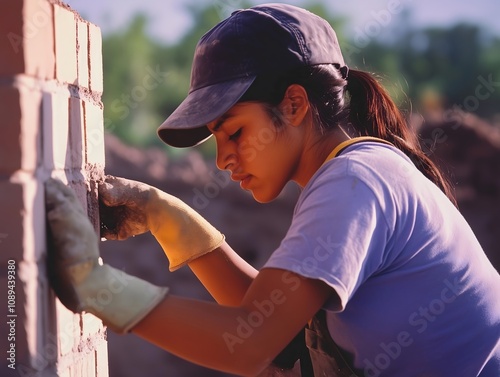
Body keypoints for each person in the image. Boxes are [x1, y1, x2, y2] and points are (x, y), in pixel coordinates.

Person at [45, 4, 500, 376]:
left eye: (235, 133)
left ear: (295, 104)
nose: (222, 159)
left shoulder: (355, 181)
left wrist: (98, 288)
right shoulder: (355, 171)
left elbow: (248, 344)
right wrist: (172, 221)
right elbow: (275, 327)